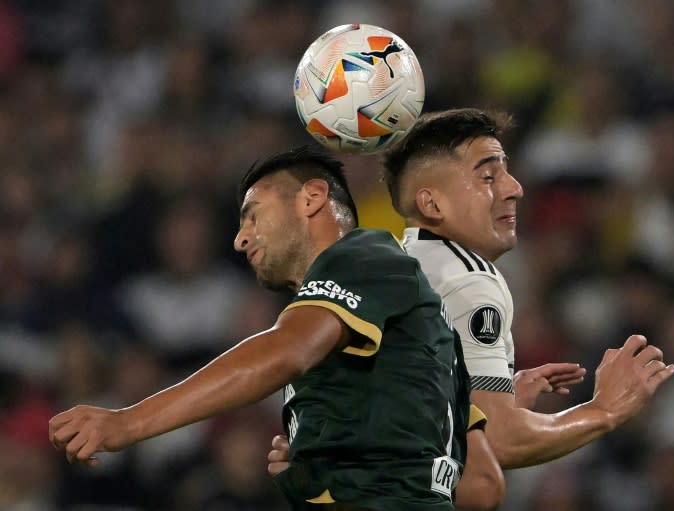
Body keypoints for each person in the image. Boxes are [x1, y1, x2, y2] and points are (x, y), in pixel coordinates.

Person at [48, 146, 504, 511]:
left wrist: (128, 422)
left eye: (253, 214)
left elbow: (288, 350)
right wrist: (327, 480)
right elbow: (481, 487)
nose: (240, 238)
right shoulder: (415, 351)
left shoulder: (364, 256)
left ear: (311, 198)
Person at [382, 107, 674, 468]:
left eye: (506, 171)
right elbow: (501, 443)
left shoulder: (399, 263)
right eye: (489, 176)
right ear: (432, 203)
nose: (515, 188)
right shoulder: (468, 279)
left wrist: (489, 399)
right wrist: (604, 409)